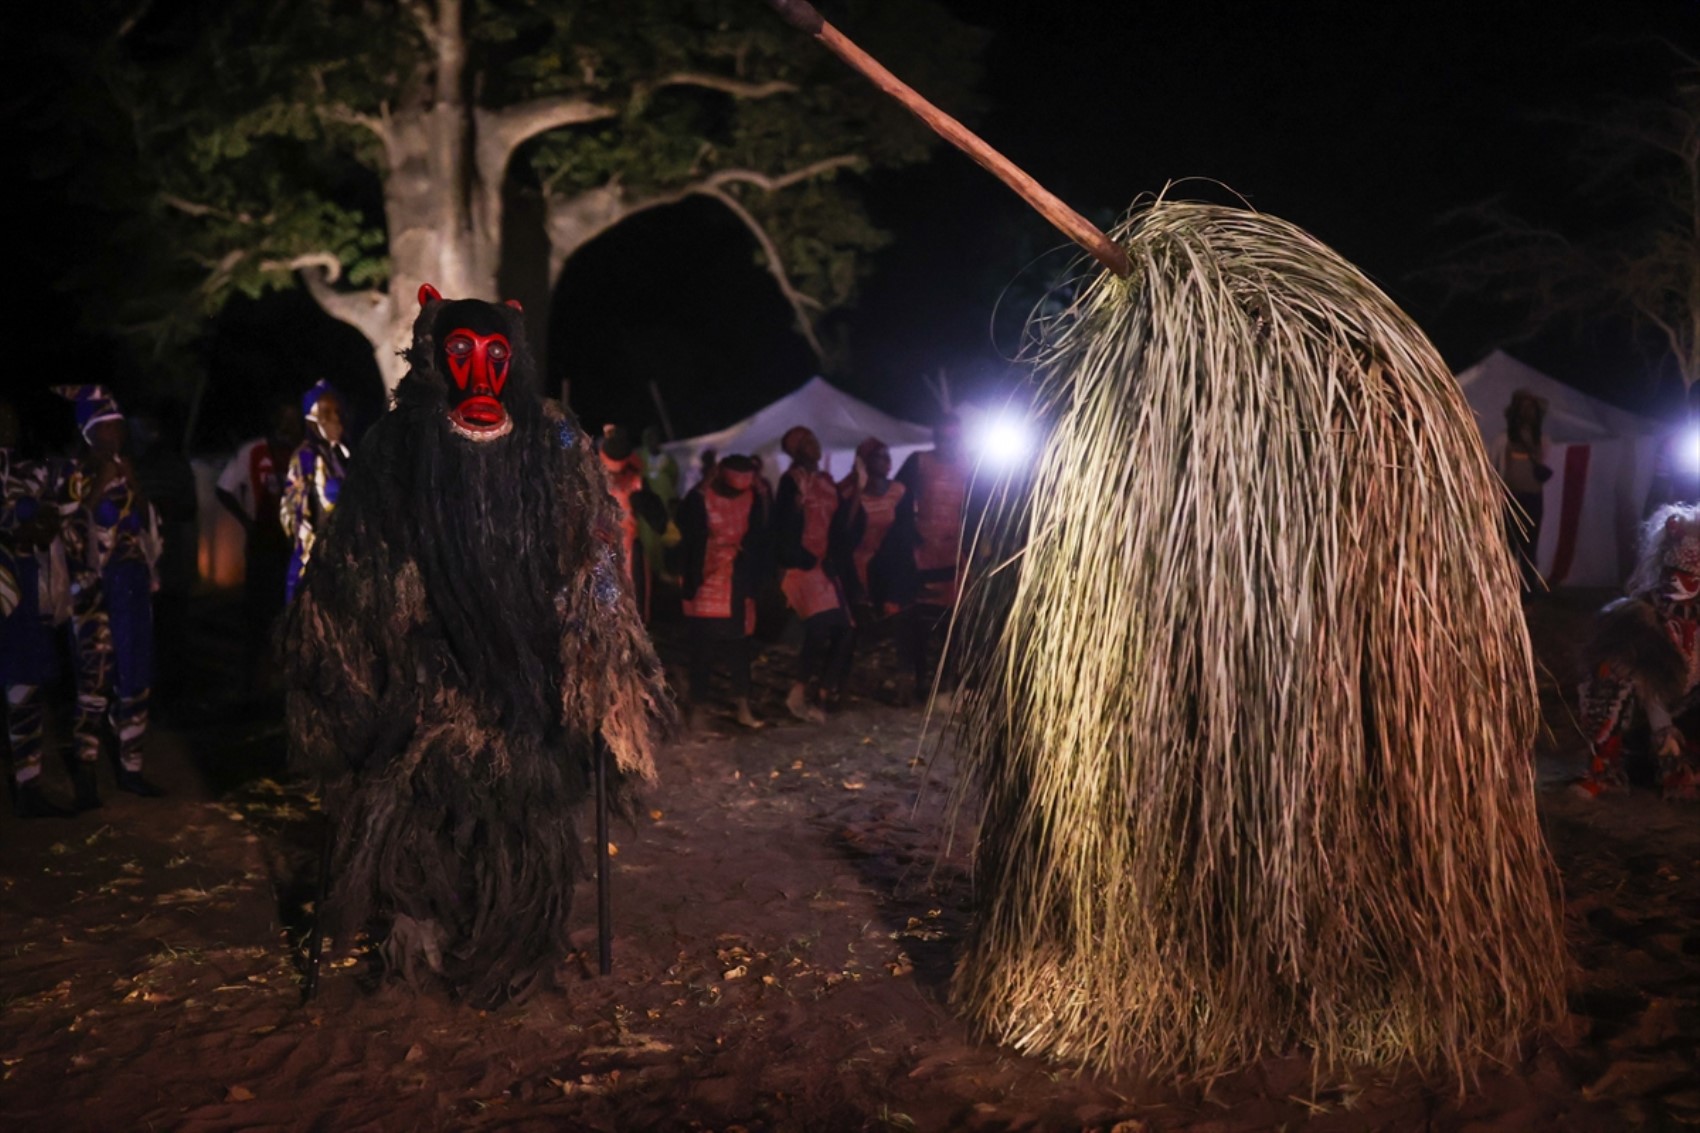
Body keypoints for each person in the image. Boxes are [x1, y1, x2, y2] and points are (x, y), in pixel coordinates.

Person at [281, 286, 666, 1003]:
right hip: (421, 674)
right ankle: (412, 945)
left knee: (522, 823)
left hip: (528, 681)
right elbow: (353, 557)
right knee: (414, 816)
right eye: (461, 355)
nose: (479, 378)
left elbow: (595, 551)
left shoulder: (552, 436)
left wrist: (605, 650)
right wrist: (343, 668)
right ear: (436, 357)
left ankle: (512, 961)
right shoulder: (397, 441)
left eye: (494, 357)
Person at [54, 385, 165, 807]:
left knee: (135, 674)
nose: (117, 434)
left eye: (119, 427)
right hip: (93, 591)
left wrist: (133, 487)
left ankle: (131, 769)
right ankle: (85, 770)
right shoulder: (74, 473)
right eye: (108, 427)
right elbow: (66, 533)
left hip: (132, 584)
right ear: (90, 431)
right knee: (94, 678)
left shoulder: (128, 467)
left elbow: (146, 529)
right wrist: (100, 485)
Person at [1, 400, 75, 817]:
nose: (7, 421)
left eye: (10, 414)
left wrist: (37, 525)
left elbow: (47, 525)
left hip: (22, 594)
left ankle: (29, 787)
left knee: (25, 689)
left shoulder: (30, 471)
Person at [678, 454, 768, 729]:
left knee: (739, 646)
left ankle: (743, 706)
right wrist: (689, 577)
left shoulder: (753, 498)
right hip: (704, 579)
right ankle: (698, 708)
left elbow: (759, 535)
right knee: (702, 649)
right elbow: (688, 539)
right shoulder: (699, 498)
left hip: (736, 580)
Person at [217, 397, 303, 679]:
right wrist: (246, 521)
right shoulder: (253, 451)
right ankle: (252, 675)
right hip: (263, 543)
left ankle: (281, 673)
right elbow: (224, 488)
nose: (288, 426)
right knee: (258, 609)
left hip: (293, 546)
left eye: (293, 420)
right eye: (284, 419)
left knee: (289, 607)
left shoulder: (302, 453)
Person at [773, 426, 852, 721]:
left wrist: (834, 555)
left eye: (814, 439)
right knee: (820, 628)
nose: (814, 445)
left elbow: (840, 523)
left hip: (824, 566)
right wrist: (798, 556)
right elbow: (781, 527)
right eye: (806, 443)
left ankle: (822, 691)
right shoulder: (792, 482)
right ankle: (800, 693)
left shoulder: (826, 482)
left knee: (845, 631)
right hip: (800, 567)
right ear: (796, 451)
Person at [893, 414, 969, 703]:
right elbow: (897, 498)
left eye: (954, 437)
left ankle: (948, 682)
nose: (950, 443)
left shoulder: (969, 463)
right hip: (923, 551)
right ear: (937, 437)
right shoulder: (919, 461)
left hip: (954, 551)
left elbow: (979, 503)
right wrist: (909, 533)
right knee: (922, 623)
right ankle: (921, 682)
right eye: (945, 437)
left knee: (953, 621)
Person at [129, 403, 198, 713]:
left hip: (171, 563)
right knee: (145, 630)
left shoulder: (175, 464)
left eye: (152, 423)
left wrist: (160, 511)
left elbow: (189, 506)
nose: (149, 430)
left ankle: (173, 696)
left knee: (173, 630)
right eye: (142, 423)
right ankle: (145, 694)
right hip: (138, 565)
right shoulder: (128, 466)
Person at [833, 436, 911, 696]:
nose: (887, 462)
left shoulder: (897, 492)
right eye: (880, 457)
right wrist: (858, 489)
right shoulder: (848, 492)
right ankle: (834, 685)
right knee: (851, 627)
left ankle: (896, 683)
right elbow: (842, 532)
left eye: (888, 456)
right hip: (852, 563)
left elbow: (901, 534)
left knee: (895, 622)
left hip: (882, 563)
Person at [280, 380, 350, 602]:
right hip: (314, 565)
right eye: (326, 413)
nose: (336, 419)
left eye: (337, 412)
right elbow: (294, 517)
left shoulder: (338, 458)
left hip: (339, 560)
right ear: (311, 420)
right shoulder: (306, 457)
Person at [598, 425, 668, 619]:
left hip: (617, 545)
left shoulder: (629, 479)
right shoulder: (631, 479)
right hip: (614, 545)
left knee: (625, 592)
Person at [1488, 389, 1551, 592]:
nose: (1528, 413)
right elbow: (1492, 470)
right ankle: (1505, 593)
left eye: (1531, 409)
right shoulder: (1503, 440)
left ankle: (1527, 596)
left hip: (1533, 499)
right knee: (1507, 548)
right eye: (1523, 408)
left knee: (1529, 549)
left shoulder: (1542, 441)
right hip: (1509, 499)